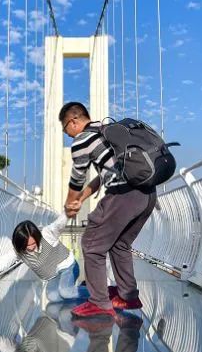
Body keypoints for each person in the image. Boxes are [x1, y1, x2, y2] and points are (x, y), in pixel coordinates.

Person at [60, 101, 157, 319]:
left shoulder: (83, 140)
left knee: (91, 245)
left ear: (74, 121)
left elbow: (77, 179)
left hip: (122, 196)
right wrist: (83, 198)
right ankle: (128, 295)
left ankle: (98, 302)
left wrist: (70, 204)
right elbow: (104, 173)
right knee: (120, 244)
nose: (67, 134)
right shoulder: (106, 132)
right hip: (148, 195)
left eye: (66, 128)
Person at [0, 215, 91, 301]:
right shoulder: (19, 251)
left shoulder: (47, 234)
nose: (31, 247)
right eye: (26, 245)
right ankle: (82, 288)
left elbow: (60, 221)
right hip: (53, 276)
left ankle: (100, 294)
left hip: (68, 267)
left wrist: (72, 204)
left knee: (65, 292)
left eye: (33, 243)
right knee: (53, 297)